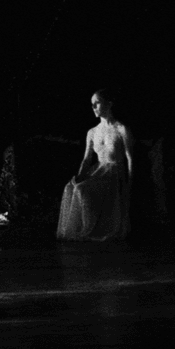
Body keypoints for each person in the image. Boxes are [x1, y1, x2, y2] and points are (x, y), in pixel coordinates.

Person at [57, 89, 134, 241]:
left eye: (97, 103)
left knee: (82, 189)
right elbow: (87, 159)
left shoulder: (121, 129)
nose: (93, 107)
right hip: (98, 170)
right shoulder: (92, 132)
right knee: (71, 187)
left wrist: (129, 183)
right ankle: (81, 230)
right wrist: (80, 176)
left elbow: (130, 158)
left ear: (109, 104)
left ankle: (90, 230)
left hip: (113, 172)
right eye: (92, 104)